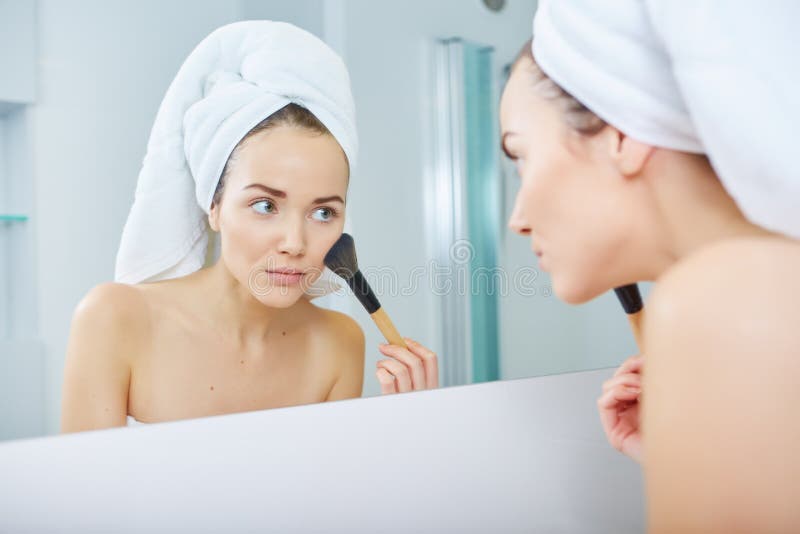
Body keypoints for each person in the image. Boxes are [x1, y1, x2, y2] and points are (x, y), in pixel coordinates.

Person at [500, 0, 800, 529]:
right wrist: (693, 458)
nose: (517, 220)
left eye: (521, 156)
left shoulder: (719, 301)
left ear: (620, 133)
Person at [61, 21, 438, 432]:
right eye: (265, 205)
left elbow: (330, 491)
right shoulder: (115, 319)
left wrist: (410, 427)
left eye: (323, 212)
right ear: (215, 205)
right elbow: (87, 493)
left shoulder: (338, 344)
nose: (295, 243)